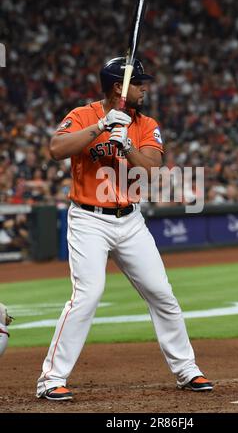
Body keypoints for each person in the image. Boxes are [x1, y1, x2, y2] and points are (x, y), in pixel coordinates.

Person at [36, 57, 213, 401]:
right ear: (118, 87)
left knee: (161, 294)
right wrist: (101, 126)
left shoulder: (146, 123)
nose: (144, 88)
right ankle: (51, 379)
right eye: (139, 83)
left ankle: (187, 370)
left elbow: (153, 170)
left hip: (131, 221)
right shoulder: (83, 115)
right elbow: (56, 149)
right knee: (87, 296)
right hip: (88, 220)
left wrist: (127, 146)